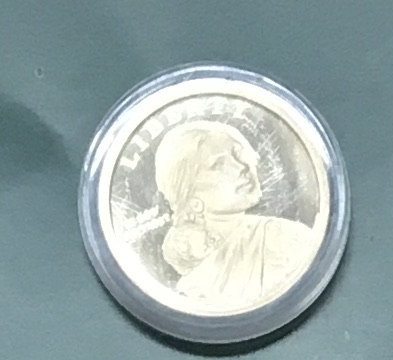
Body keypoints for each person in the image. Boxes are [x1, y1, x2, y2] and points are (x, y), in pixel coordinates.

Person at [131, 116, 317, 315]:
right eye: (218, 164)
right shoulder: (186, 277)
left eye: (240, 153)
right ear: (188, 192)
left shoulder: (284, 238)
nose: (243, 166)